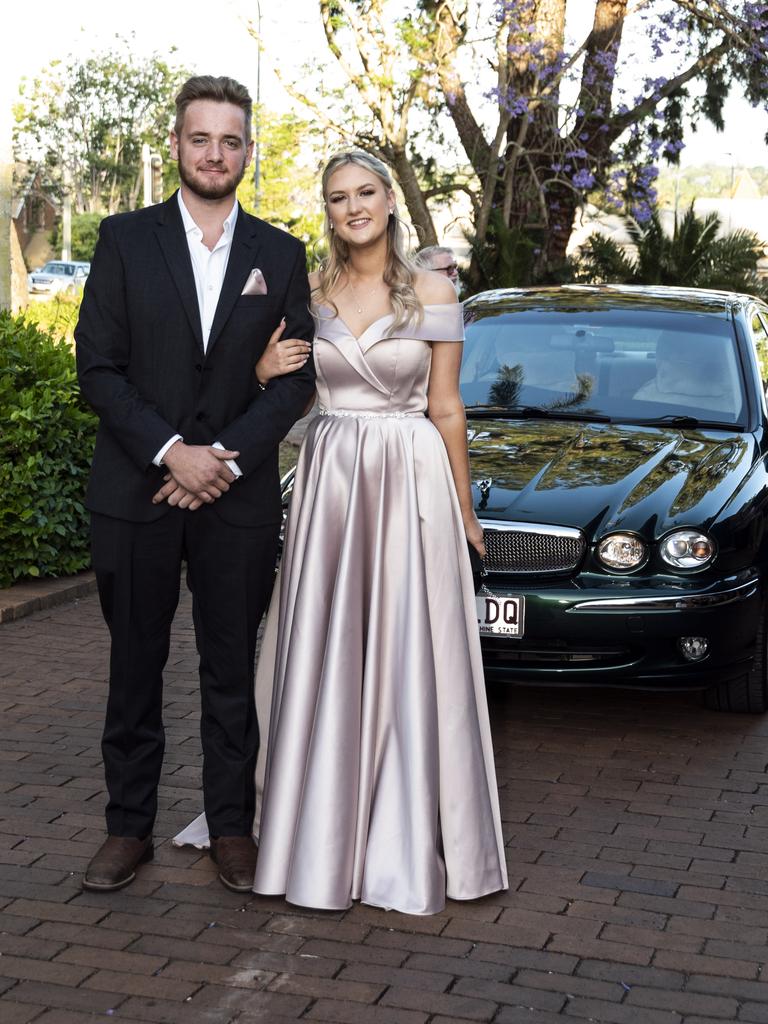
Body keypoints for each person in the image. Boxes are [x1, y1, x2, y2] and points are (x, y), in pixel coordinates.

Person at [176, 150, 508, 914]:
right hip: (329, 478)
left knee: (403, 646)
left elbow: (447, 407)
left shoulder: (432, 287)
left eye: (364, 193)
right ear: (325, 211)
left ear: (390, 201)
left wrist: (463, 510)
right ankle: (311, 819)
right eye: (336, 198)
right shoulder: (309, 288)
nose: (352, 208)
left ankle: (397, 827)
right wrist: (262, 374)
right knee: (323, 642)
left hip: (409, 474)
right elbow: (287, 394)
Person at [75, 75, 315, 894]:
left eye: (232, 140)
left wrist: (223, 460)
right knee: (134, 664)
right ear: (176, 145)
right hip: (137, 490)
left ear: (249, 151)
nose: (216, 153)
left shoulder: (280, 255)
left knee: (229, 667)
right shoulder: (122, 238)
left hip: (237, 497)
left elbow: (295, 382)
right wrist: (174, 451)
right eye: (201, 138)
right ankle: (127, 828)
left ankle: (231, 827)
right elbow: (97, 367)